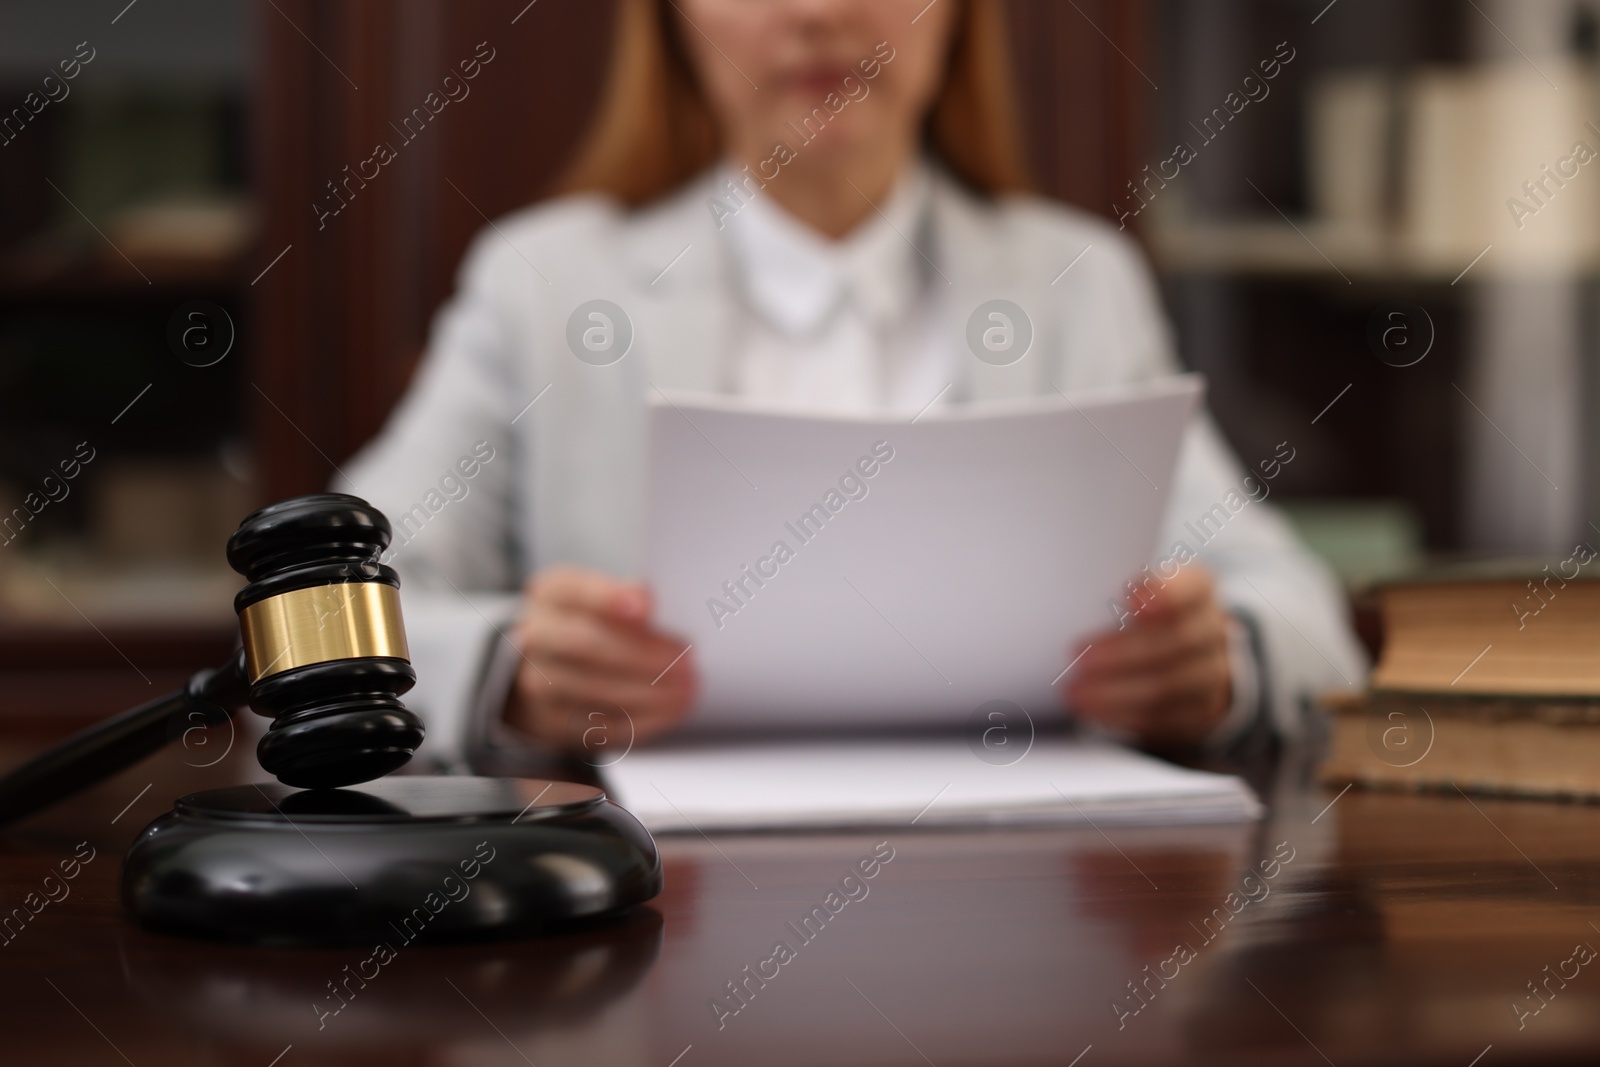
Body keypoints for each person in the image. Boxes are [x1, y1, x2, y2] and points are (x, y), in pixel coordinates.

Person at [343, 0, 1366, 766]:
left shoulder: (1074, 286)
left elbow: (1310, 628)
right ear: (670, 21)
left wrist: (1217, 667)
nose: (820, 14)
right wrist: (507, 668)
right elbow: (318, 613)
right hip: (641, 931)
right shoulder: (543, 288)